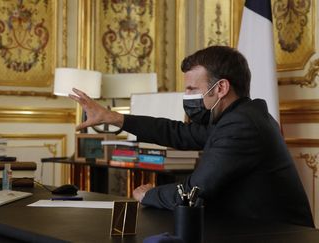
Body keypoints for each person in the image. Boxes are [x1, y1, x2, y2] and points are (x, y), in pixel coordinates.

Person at [69, 45, 314, 227]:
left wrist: (148, 194)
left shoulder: (242, 125)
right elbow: (178, 133)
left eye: (192, 89)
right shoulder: (241, 116)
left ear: (221, 88)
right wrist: (113, 117)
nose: (187, 96)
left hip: (277, 236)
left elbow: (193, 192)